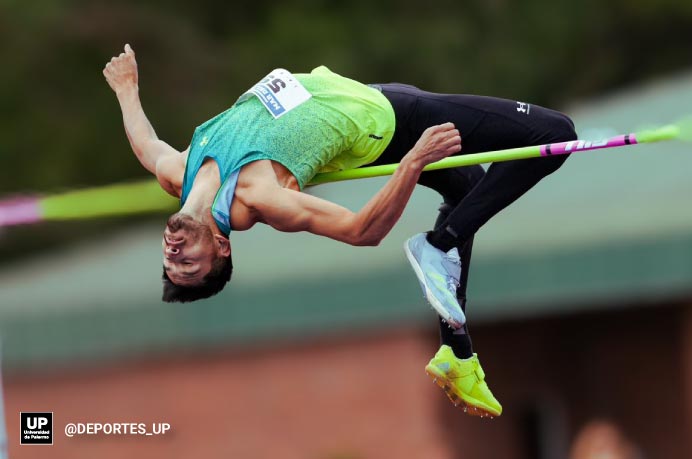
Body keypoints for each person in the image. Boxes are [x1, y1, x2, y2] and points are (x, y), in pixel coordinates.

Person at [103, 44, 576, 418]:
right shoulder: (259, 196)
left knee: (469, 189)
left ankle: (457, 352)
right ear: (222, 246)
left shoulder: (178, 173)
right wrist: (412, 163)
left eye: (170, 260)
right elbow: (359, 231)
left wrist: (127, 90)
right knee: (554, 133)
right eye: (188, 264)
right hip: (391, 121)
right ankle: (440, 246)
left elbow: (146, 144)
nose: (174, 252)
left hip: (357, 98)